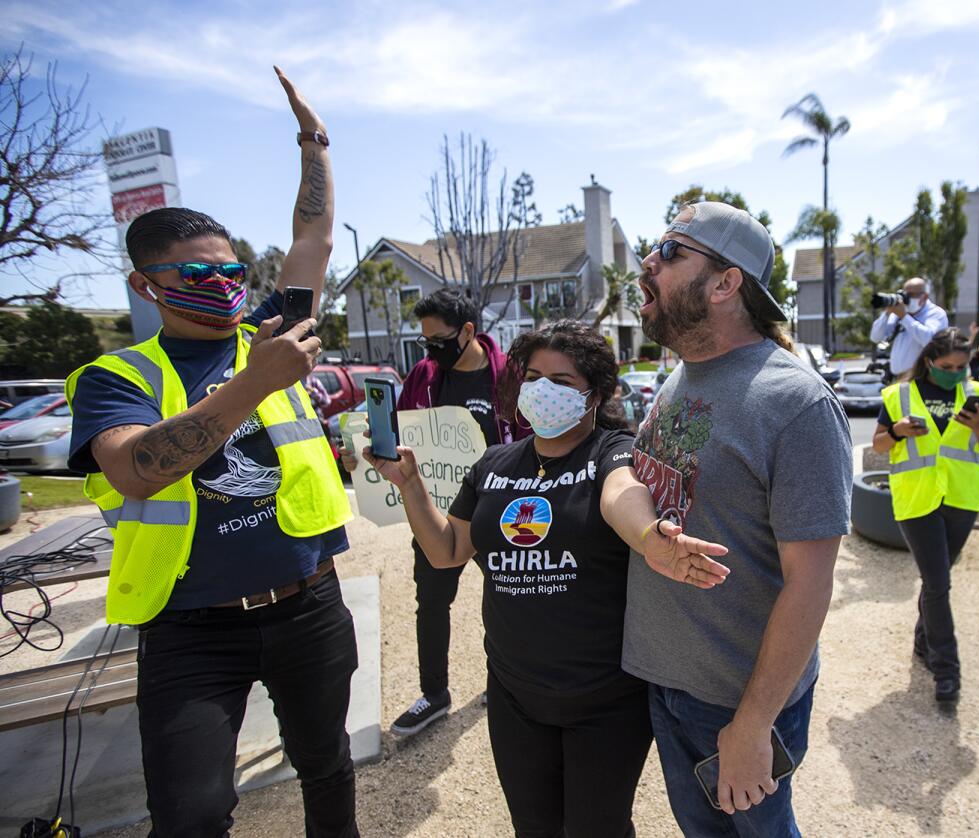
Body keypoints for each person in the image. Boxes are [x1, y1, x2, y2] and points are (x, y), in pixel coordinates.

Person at [63, 70, 361, 836]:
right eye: (198, 274)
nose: (224, 285)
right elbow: (134, 467)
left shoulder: (266, 332)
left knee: (327, 765)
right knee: (191, 813)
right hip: (192, 628)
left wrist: (314, 140)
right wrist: (253, 385)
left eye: (231, 271)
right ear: (145, 285)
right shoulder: (117, 377)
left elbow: (313, 237)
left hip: (308, 605)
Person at [349, 319, 730, 838]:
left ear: (595, 394)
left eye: (563, 382)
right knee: (533, 828)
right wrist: (410, 484)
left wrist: (647, 536)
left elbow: (621, 493)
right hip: (514, 697)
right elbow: (447, 552)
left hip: (605, 700)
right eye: (533, 376)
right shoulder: (492, 464)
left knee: (598, 830)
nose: (543, 391)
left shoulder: (611, 450)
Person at [622, 201, 852, 835]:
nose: (649, 262)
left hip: (737, 706)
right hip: (670, 688)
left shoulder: (796, 404)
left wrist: (752, 725)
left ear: (726, 284)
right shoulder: (680, 379)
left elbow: (811, 583)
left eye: (671, 253)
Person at [386, 288, 530, 738]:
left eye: (439, 341)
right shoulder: (423, 377)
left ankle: (507, 679)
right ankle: (434, 693)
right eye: (425, 342)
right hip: (439, 513)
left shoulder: (509, 376)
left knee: (511, 599)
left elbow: (531, 440)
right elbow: (399, 431)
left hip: (497, 512)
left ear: (468, 332)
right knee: (430, 603)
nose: (432, 351)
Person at [872, 328, 979, 703]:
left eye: (961, 367)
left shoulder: (978, 395)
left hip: (961, 500)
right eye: (946, 366)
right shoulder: (898, 395)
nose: (954, 372)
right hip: (916, 501)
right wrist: (897, 432)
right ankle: (947, 670)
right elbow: (880, 445)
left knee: (936, 580)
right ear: (929, 361)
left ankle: (921, 639)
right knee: (939, 583)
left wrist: (978, 426)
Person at [870, 277, 950, 380]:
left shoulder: (935, 314)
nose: (906, 299)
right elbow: (875, 337)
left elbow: (930, 341)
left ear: (924, 297)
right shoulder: (900, 313)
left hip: (921, 379)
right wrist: (887, 313)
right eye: (904, 294)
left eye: (910, 295)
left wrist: (904, 317)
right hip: (897, 379)